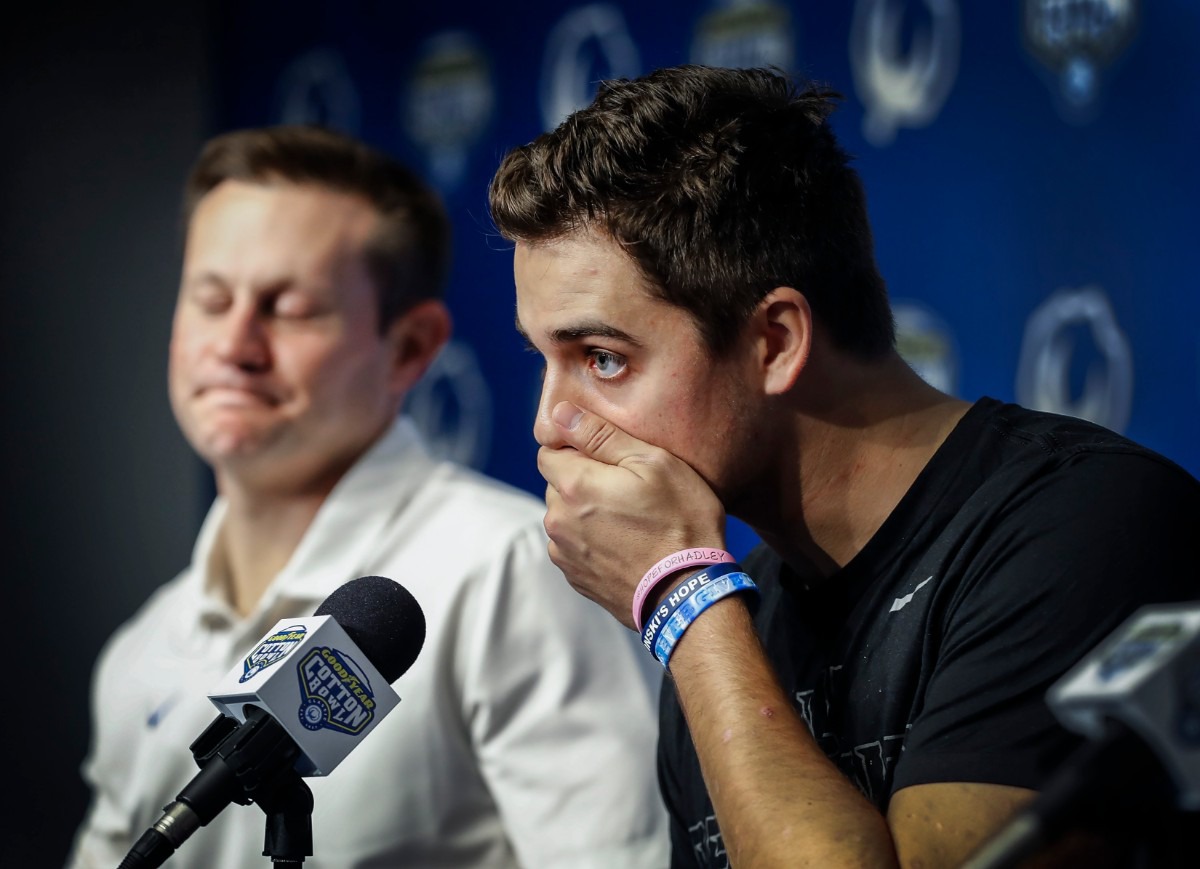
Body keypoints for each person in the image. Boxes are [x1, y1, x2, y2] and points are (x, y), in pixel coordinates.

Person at [487, 64, 1200, 868]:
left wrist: (682, 598)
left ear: (775, 342)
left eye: (603, 358)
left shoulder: (1084, 527)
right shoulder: (731, 617)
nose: (550, 422)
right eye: (544, 360)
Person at [69, 125, 669, 869]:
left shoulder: (511, 570)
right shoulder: (142, 645)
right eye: (211, 298)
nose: (234, 344)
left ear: (411, 348)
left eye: (289, 308)